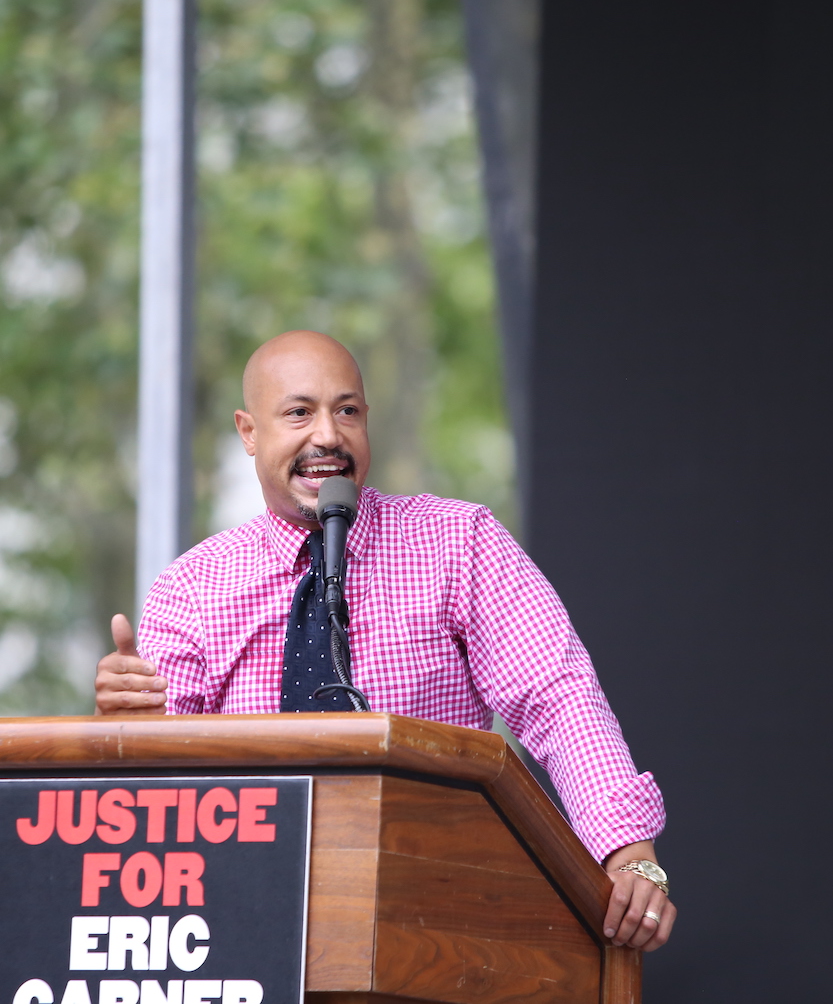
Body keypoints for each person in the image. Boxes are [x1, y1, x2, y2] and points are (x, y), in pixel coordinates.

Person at [95, 331, 678, 952]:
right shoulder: (192, 587)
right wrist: (128, 730)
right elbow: (154, 797)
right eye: (298, 412)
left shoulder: (459, 543)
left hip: (439, 916)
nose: (327, 436)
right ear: (248, 432)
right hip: (244, 930)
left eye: (346, 410)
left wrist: (628, 854)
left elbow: (559, 700)